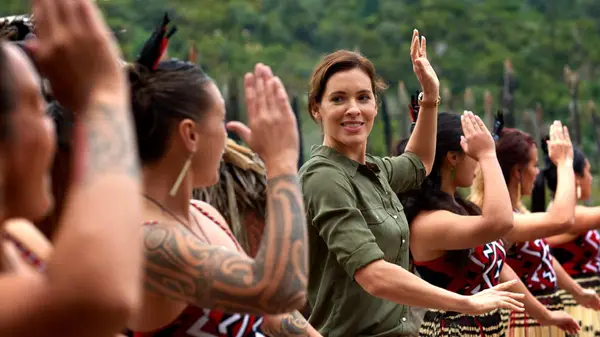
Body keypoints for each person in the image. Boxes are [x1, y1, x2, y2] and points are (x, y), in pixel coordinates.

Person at [299, 30, 524, 337]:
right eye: (338, 99)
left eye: (363, 97)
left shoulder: (374, 170)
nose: (353, 109)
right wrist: (465, 303)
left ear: (375, 106)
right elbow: (374, 276)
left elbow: (419, 163)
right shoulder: (324, 177)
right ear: (316, 108)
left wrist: (430, 98)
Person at [126, 17, 315, 337]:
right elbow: (279, 291)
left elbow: (274, 314)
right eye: (221, 119)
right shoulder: (147, 241)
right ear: (191, 134)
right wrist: (281, 164)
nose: (228, 135)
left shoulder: (205, 214)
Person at [0, 0, 144, 335]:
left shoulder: (18, 239)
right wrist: (103, 96)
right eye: (37, 107)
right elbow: (95, 298)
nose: (52, 126)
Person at [397, 111, 578, 337]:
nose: (477, 164)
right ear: (453, 157)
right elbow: (501, 223)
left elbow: (499, 269)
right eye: (472, 154)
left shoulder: (464, 213)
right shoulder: (428, 223)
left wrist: (544, 315)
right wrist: (488, 154)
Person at [469, 118, 598, 336]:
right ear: (517, 172)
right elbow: (563, 219)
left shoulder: (517, 214)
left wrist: (578, 293)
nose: (537, 172)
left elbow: (546, 257)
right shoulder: (500, 221)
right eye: (534, 165)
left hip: (540, 320)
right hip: (522, 323)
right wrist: (565, 162)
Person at [532, 141, 600, 337]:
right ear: (575, 179)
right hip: (577, 308)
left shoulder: (567, 214)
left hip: (583, 303)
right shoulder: (571, 217)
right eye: (587, 172)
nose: (590, 179)